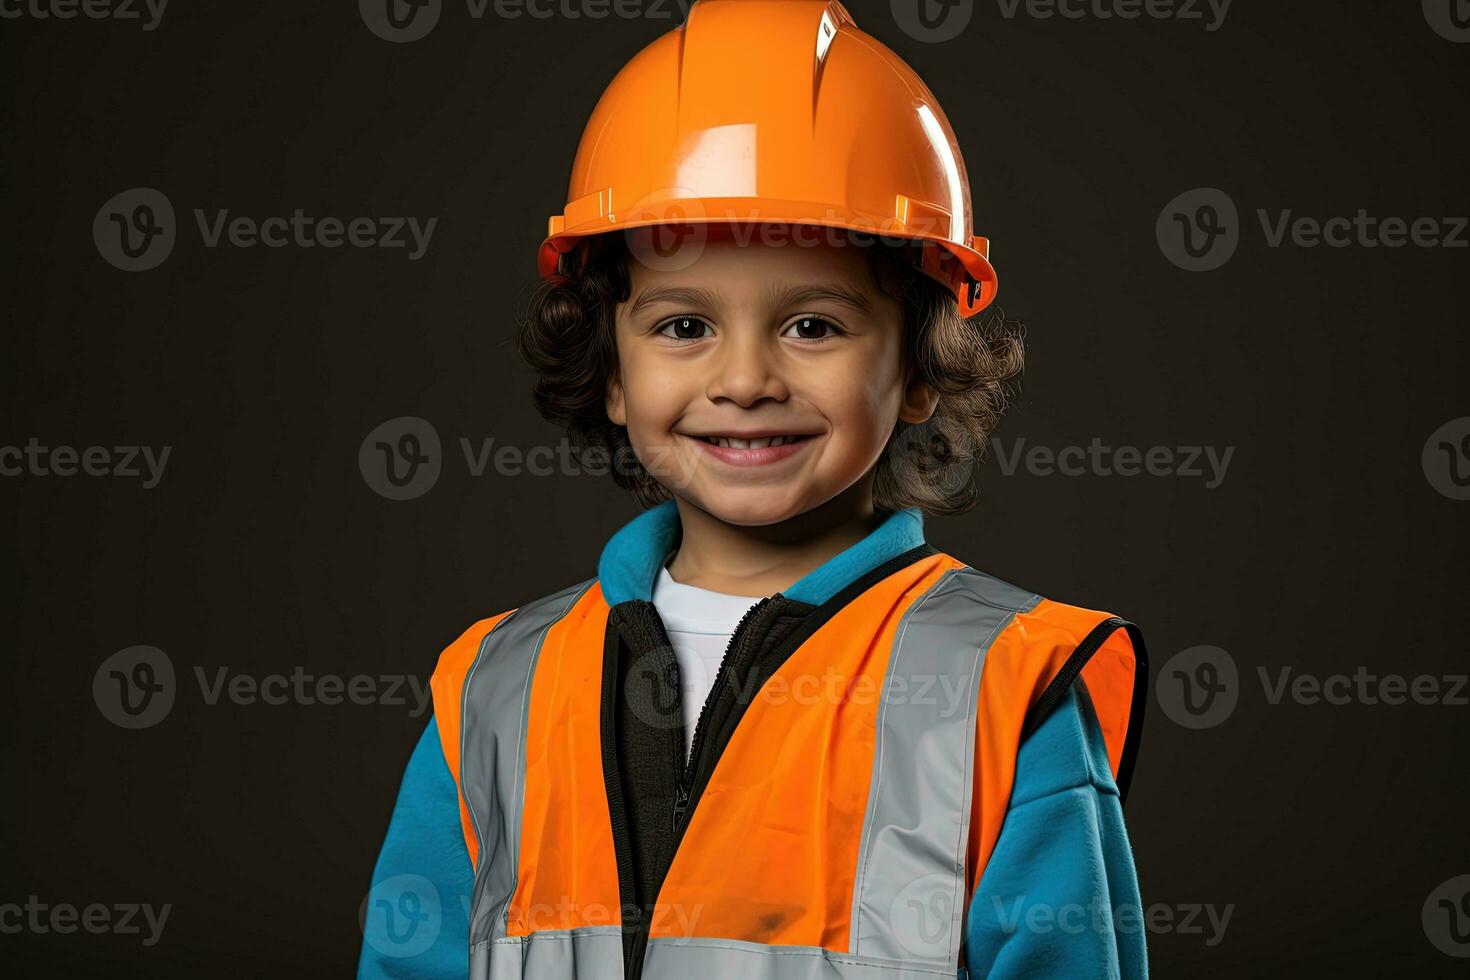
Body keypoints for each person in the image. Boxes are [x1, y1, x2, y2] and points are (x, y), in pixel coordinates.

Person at [359, 2, 1148, 977]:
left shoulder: (1006, 686)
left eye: (812, 326)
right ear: (610, 370)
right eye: (684, 326)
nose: (743, 380)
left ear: (918, 371)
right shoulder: (495, 687)